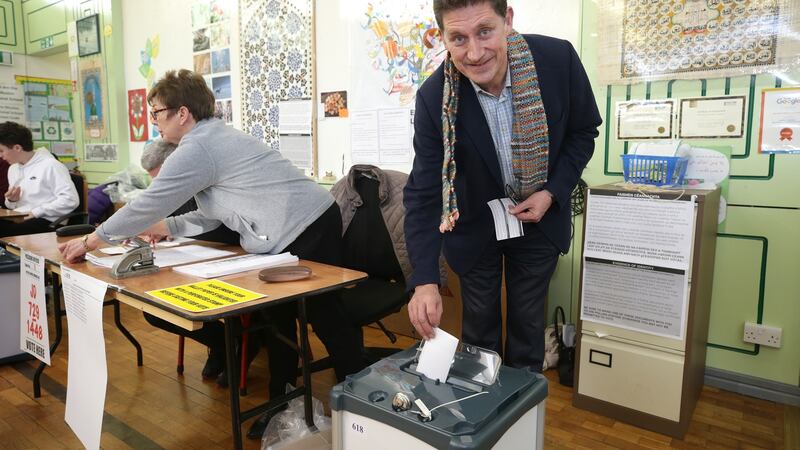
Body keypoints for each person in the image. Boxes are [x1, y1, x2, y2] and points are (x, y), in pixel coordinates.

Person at [58, 69, 365, 438]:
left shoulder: (198, 147)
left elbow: (149, 203)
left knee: (323, 311)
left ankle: (362, 401)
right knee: (279, 317)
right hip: (293, 227)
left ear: (182, 113)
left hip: (310, 223)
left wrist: (94, 239)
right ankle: (281, 403)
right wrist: (165, 227)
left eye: (156, 112)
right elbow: (210, 212)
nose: (153, 120)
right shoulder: (206, 141)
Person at [403, 0, 601, 372]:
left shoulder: (557, 61)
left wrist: (552, 191)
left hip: (539, 218)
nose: (474, 53)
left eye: (485, 32)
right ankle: (486, 420)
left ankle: (522, 421)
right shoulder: (434, 99)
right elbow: (424, 192)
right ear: (442, 37)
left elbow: (583, 131)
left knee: (528, 331)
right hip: (476, 225)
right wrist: (425, 280)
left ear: (507, 21)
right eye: (458, 38)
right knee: (479, 337)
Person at [0, 121, 79, 237]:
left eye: (1, 151)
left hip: (48, 220)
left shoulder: (51, 165)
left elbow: (70, 200)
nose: (0, 156)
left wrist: (36, 212)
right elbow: (12, 207)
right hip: (21, 217)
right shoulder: (13, 168)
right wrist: (12, 200)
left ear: (17, 148)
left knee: (5, 230)